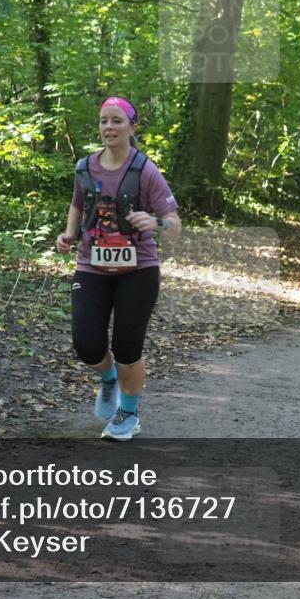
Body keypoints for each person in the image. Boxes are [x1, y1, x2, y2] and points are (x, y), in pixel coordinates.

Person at [56, 97, 182, 440]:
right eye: (103, 121)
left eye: (117, 121)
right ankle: (108, 378)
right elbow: (77, 204)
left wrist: (153, 221)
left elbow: (174, 225)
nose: (108, 128)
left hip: (138, 269)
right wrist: (69, 234)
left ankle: (128, 414)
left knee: (128, 348)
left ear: (131, 127)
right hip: (91, 266)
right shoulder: (85, 167)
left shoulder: (145, 170)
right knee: (86, 344)